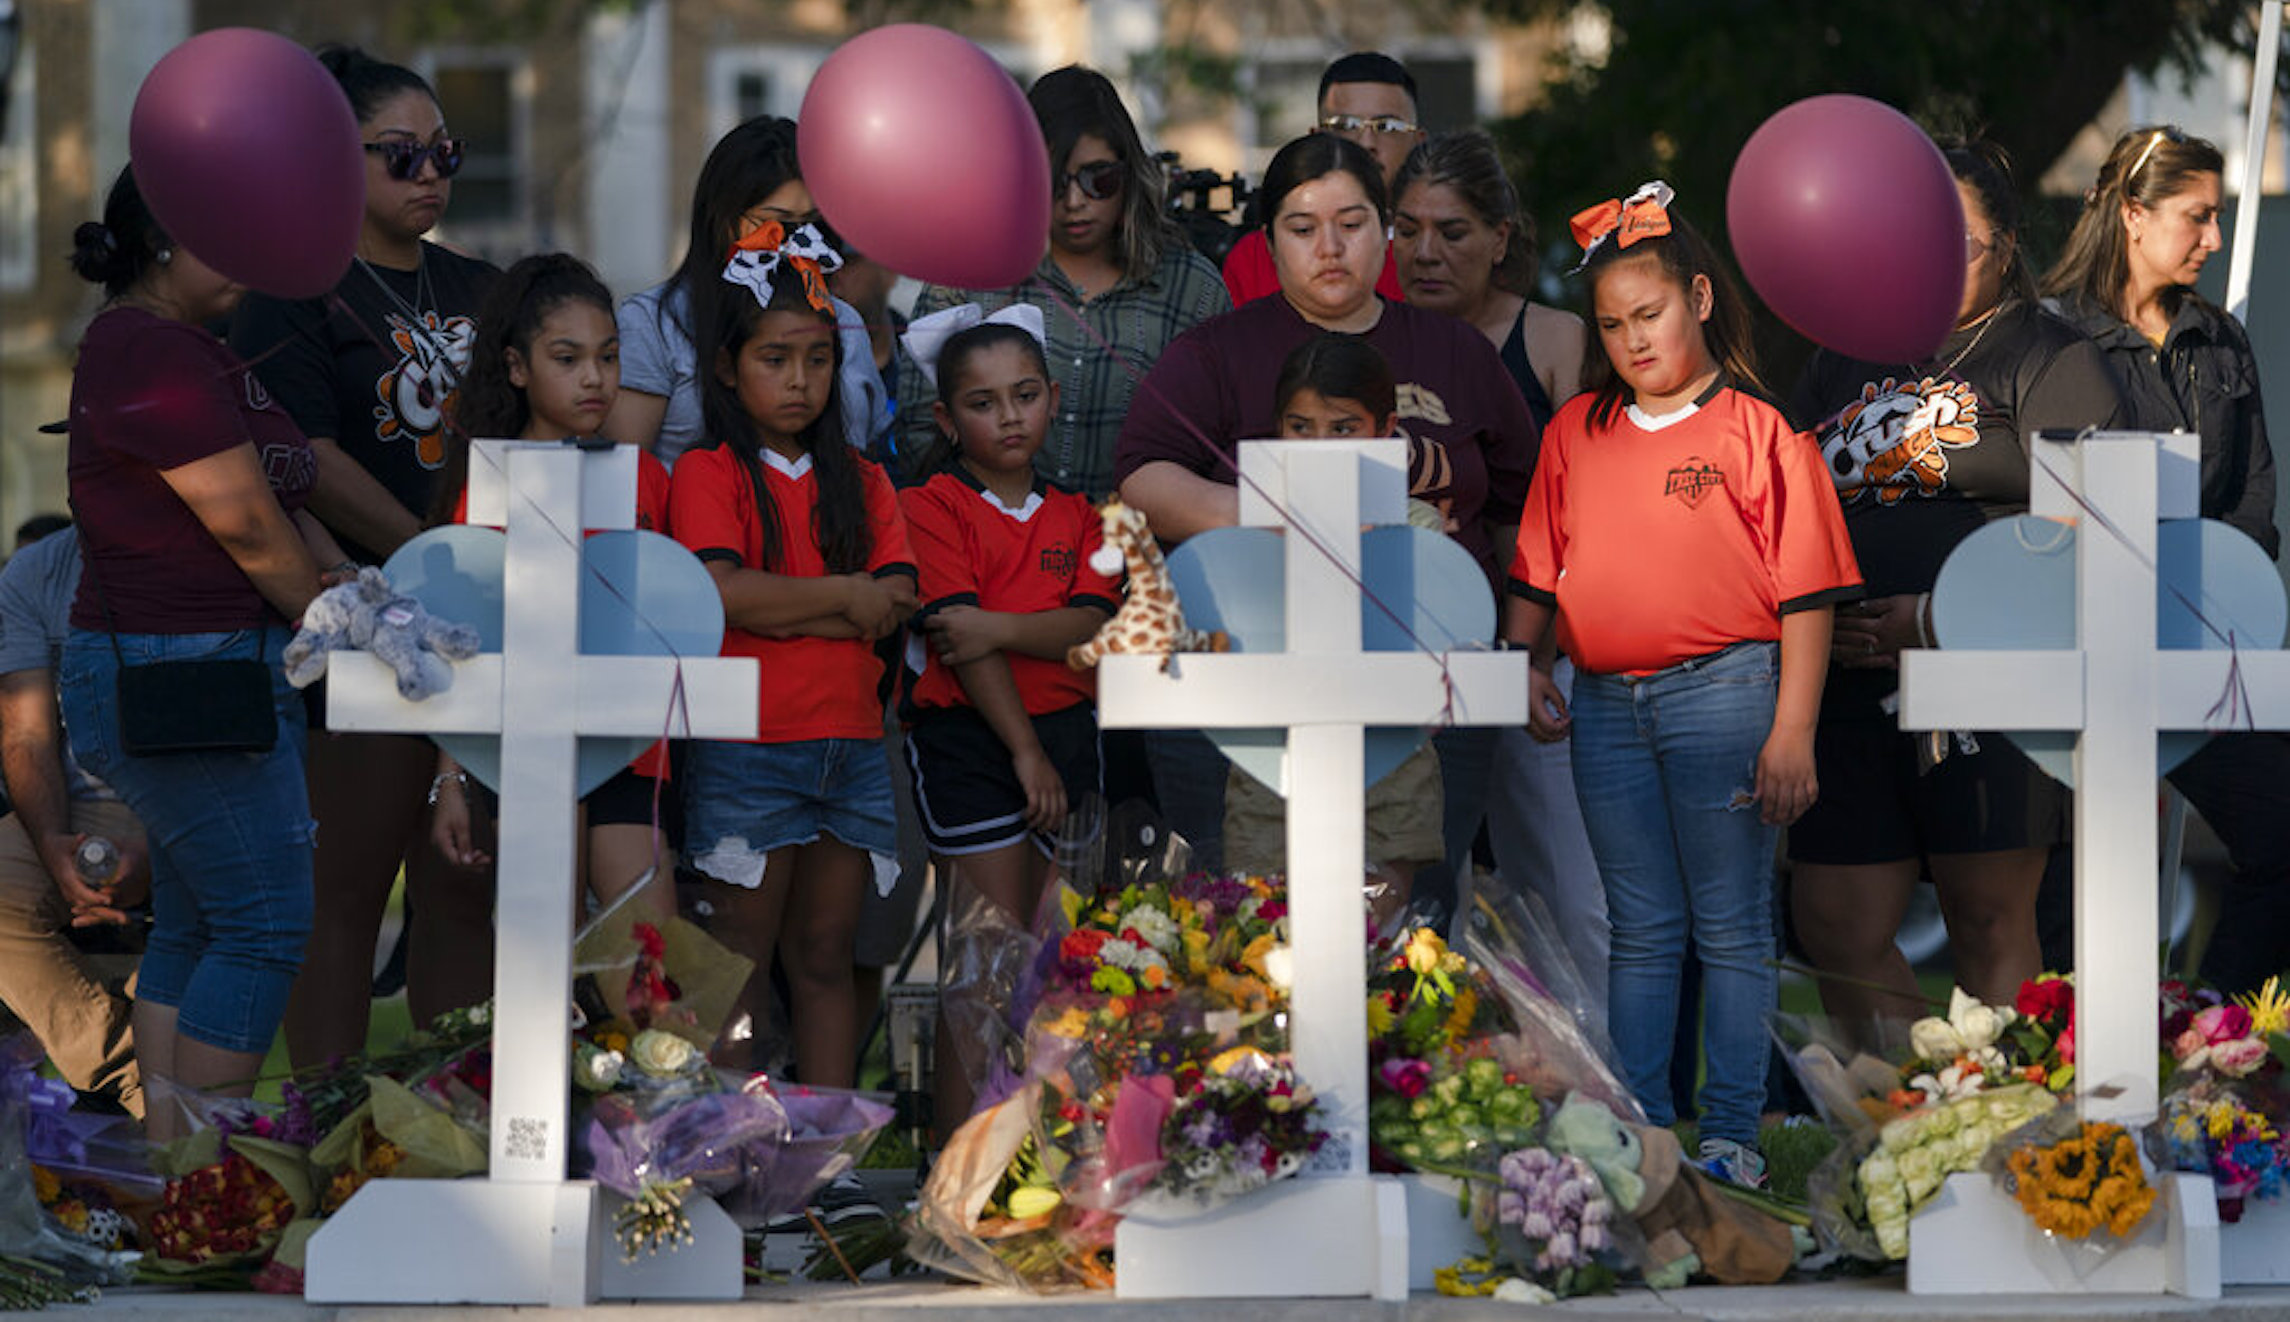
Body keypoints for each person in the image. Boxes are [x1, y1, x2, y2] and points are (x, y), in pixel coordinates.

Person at [1502, 182, 1860, 1188]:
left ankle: (1733, 1138)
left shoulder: (1758, 429)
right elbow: (1536, 560)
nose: (1632, 339)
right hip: (1607, 704)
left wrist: (1791, 729)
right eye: (1611, 325)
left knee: (1733, 921)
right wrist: (1525, 660)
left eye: (1648, 314)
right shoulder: (1576, 430)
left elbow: (1808, 592)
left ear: (1699, 297)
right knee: (1640, 924)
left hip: (1729, 693)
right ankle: (1646, 1133)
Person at [1115, 132, 1536, 872]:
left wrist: (1527, 654)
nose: (1330, 247)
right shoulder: (1217, 350)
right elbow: (1143, 477)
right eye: (1302, 228)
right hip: (1245, 688)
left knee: (1414, 933)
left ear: (1386, 232)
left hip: (1431, 691)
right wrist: (1286, 509)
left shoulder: (1457, 351)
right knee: (1244, 922)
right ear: (1269, 243)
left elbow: (1520, 514)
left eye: (1353, 223)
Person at [1787, 141, 2126, 1027]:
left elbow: (2089, 537)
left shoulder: (2051, 358)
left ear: (2006, 246)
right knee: (1834, 920)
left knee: (1986, 918)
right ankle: (1913, 1126)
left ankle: (2010, 1134)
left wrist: (1935, 620)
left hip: (1989, 680)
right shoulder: (1840, 355)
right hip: (1850, 683)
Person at [230, 46, 500, 1068]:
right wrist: (432, 553)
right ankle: (327, 1133)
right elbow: (304, 456)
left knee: (464, 883)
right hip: (363, 618)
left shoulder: (484, 285)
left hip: (492, 614)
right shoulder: (290, 291)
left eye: (445, 151)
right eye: (400, 154)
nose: (429, 172)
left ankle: (452, 1135)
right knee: (345, 885)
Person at [63, 167, 332, 1137]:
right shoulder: (151, 353)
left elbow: (290, 504)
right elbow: (251, 528)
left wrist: (342, 582)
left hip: (207, 658)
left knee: (196, 921)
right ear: (165, 239)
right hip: (186, 665)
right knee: (264, 925)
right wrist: (334, 624)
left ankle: (175, 1179)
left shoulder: (190, 347)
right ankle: (215, 1177)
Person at [669, 219, 917, 1096]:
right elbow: (723, 596)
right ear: (730, 366)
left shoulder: (868, 480)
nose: (800, 381)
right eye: (775, 359)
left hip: (849, 746)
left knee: (824, 960)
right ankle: (726, 1169)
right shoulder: (706, 474)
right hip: (748, 746)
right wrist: (842, 598)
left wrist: (811, 606)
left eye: (816, 359)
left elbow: (893, 606)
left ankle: (824, 1165)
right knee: (734, 971)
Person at [2045, 125, 2290, 994]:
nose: (2214, 240)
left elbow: (2253, 504)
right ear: (2132, 214)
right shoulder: (2049, 338)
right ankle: (2069, 1070)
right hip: (2080, 659)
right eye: (2199, 217)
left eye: (2218, 219)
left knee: (2280, 843)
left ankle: (2212, 1042)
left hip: (2204, 652)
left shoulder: (2219, 339)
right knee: (2071, 885)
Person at [896, 303, 1117, 1135]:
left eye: (1024, 395)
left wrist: (1000, 624)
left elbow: (1093, 626)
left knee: (1059, 969)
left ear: (1054, 399)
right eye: (983, 403)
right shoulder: (933, 505)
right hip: (976, 743)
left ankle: (1045, 1175)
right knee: (986, 968)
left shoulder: (1080, 514)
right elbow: (958, 640)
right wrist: (1024, 751)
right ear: (947, 420)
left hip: (1070, 737)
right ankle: (958, 1184)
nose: (1009, 416)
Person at [1391, 127, 1600, 964]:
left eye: (1453, 231)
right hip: (1408, 663)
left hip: (1542, 653)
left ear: (1501, 238)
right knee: (1428, 893)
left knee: (1569, 894)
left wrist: (1529, 654)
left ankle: (1609, 1090)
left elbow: (1579, 510)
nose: (1425, 252)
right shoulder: (1374, 339)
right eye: (1407, 229)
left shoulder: (1551, 340)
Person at [423, 254, 676, 925]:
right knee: (542, 948)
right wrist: (449, 777)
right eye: (567, 358)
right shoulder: (490, 485)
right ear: (516, 367)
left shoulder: (644, 477)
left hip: (628, 744)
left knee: (647, 964)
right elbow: (458, 635)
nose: (594, 378)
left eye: (609, 357)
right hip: (529, 742)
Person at [899, 66, 1231, 502]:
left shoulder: (1191, 287)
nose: (1075, 202)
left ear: (1130, 175)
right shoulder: (969, 270)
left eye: (1099, 180)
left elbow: (1218, 443)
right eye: (1054, 180)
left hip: (1141, 554)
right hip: (988, 551)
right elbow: (920, 428)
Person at [1218, 334, 1445, 923]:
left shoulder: (1416, 524)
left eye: (1342, 428)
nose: (1320, 445)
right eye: (1301, 427)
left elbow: (1429, 644)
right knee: (1262, 943)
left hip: (1388, 770)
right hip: (1272, 768)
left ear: (1383, 427)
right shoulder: (1251, 525)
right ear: (1277, 431)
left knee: (1374, 948)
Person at [604, 115, 888, 471]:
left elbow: (868, 460)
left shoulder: (844, 320)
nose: (794, 241)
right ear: (722, 219)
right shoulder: (655, 323)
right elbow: (627, 477)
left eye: (811, 224)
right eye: (776, 224)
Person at [0, 527, 145, 1116]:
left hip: (203, 795)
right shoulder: (37, 572)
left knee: (203, 906)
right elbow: (26, 734)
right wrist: (57, 850)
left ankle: (168, 1096)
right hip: (85, 802)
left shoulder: (209, 549)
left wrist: (155, 851)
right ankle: (139, 1084)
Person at [1221, 52, 1419, 307]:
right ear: (1317, 136)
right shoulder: (1256, 256)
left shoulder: (1434, 252)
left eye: (1388, 127)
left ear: (1418, 140)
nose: (1367, 143)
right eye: (1346, 124)